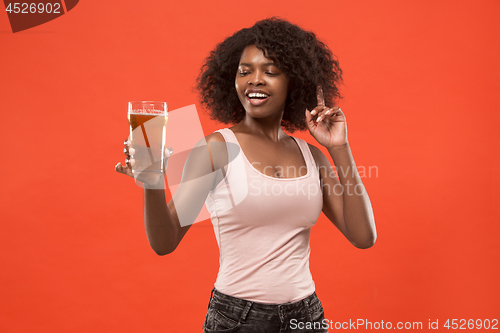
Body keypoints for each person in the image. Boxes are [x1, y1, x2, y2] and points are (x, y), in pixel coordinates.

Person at [116, 17, 376, 333]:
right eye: (245, 72)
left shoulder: (312, 155)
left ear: (294, 81)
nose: (254, 80)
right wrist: (153, 184)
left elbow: (363, 237)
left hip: (306, 317)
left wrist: (339, 148)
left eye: (270, 71)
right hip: (238, 319)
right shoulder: (216, 148)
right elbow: (164, 242)